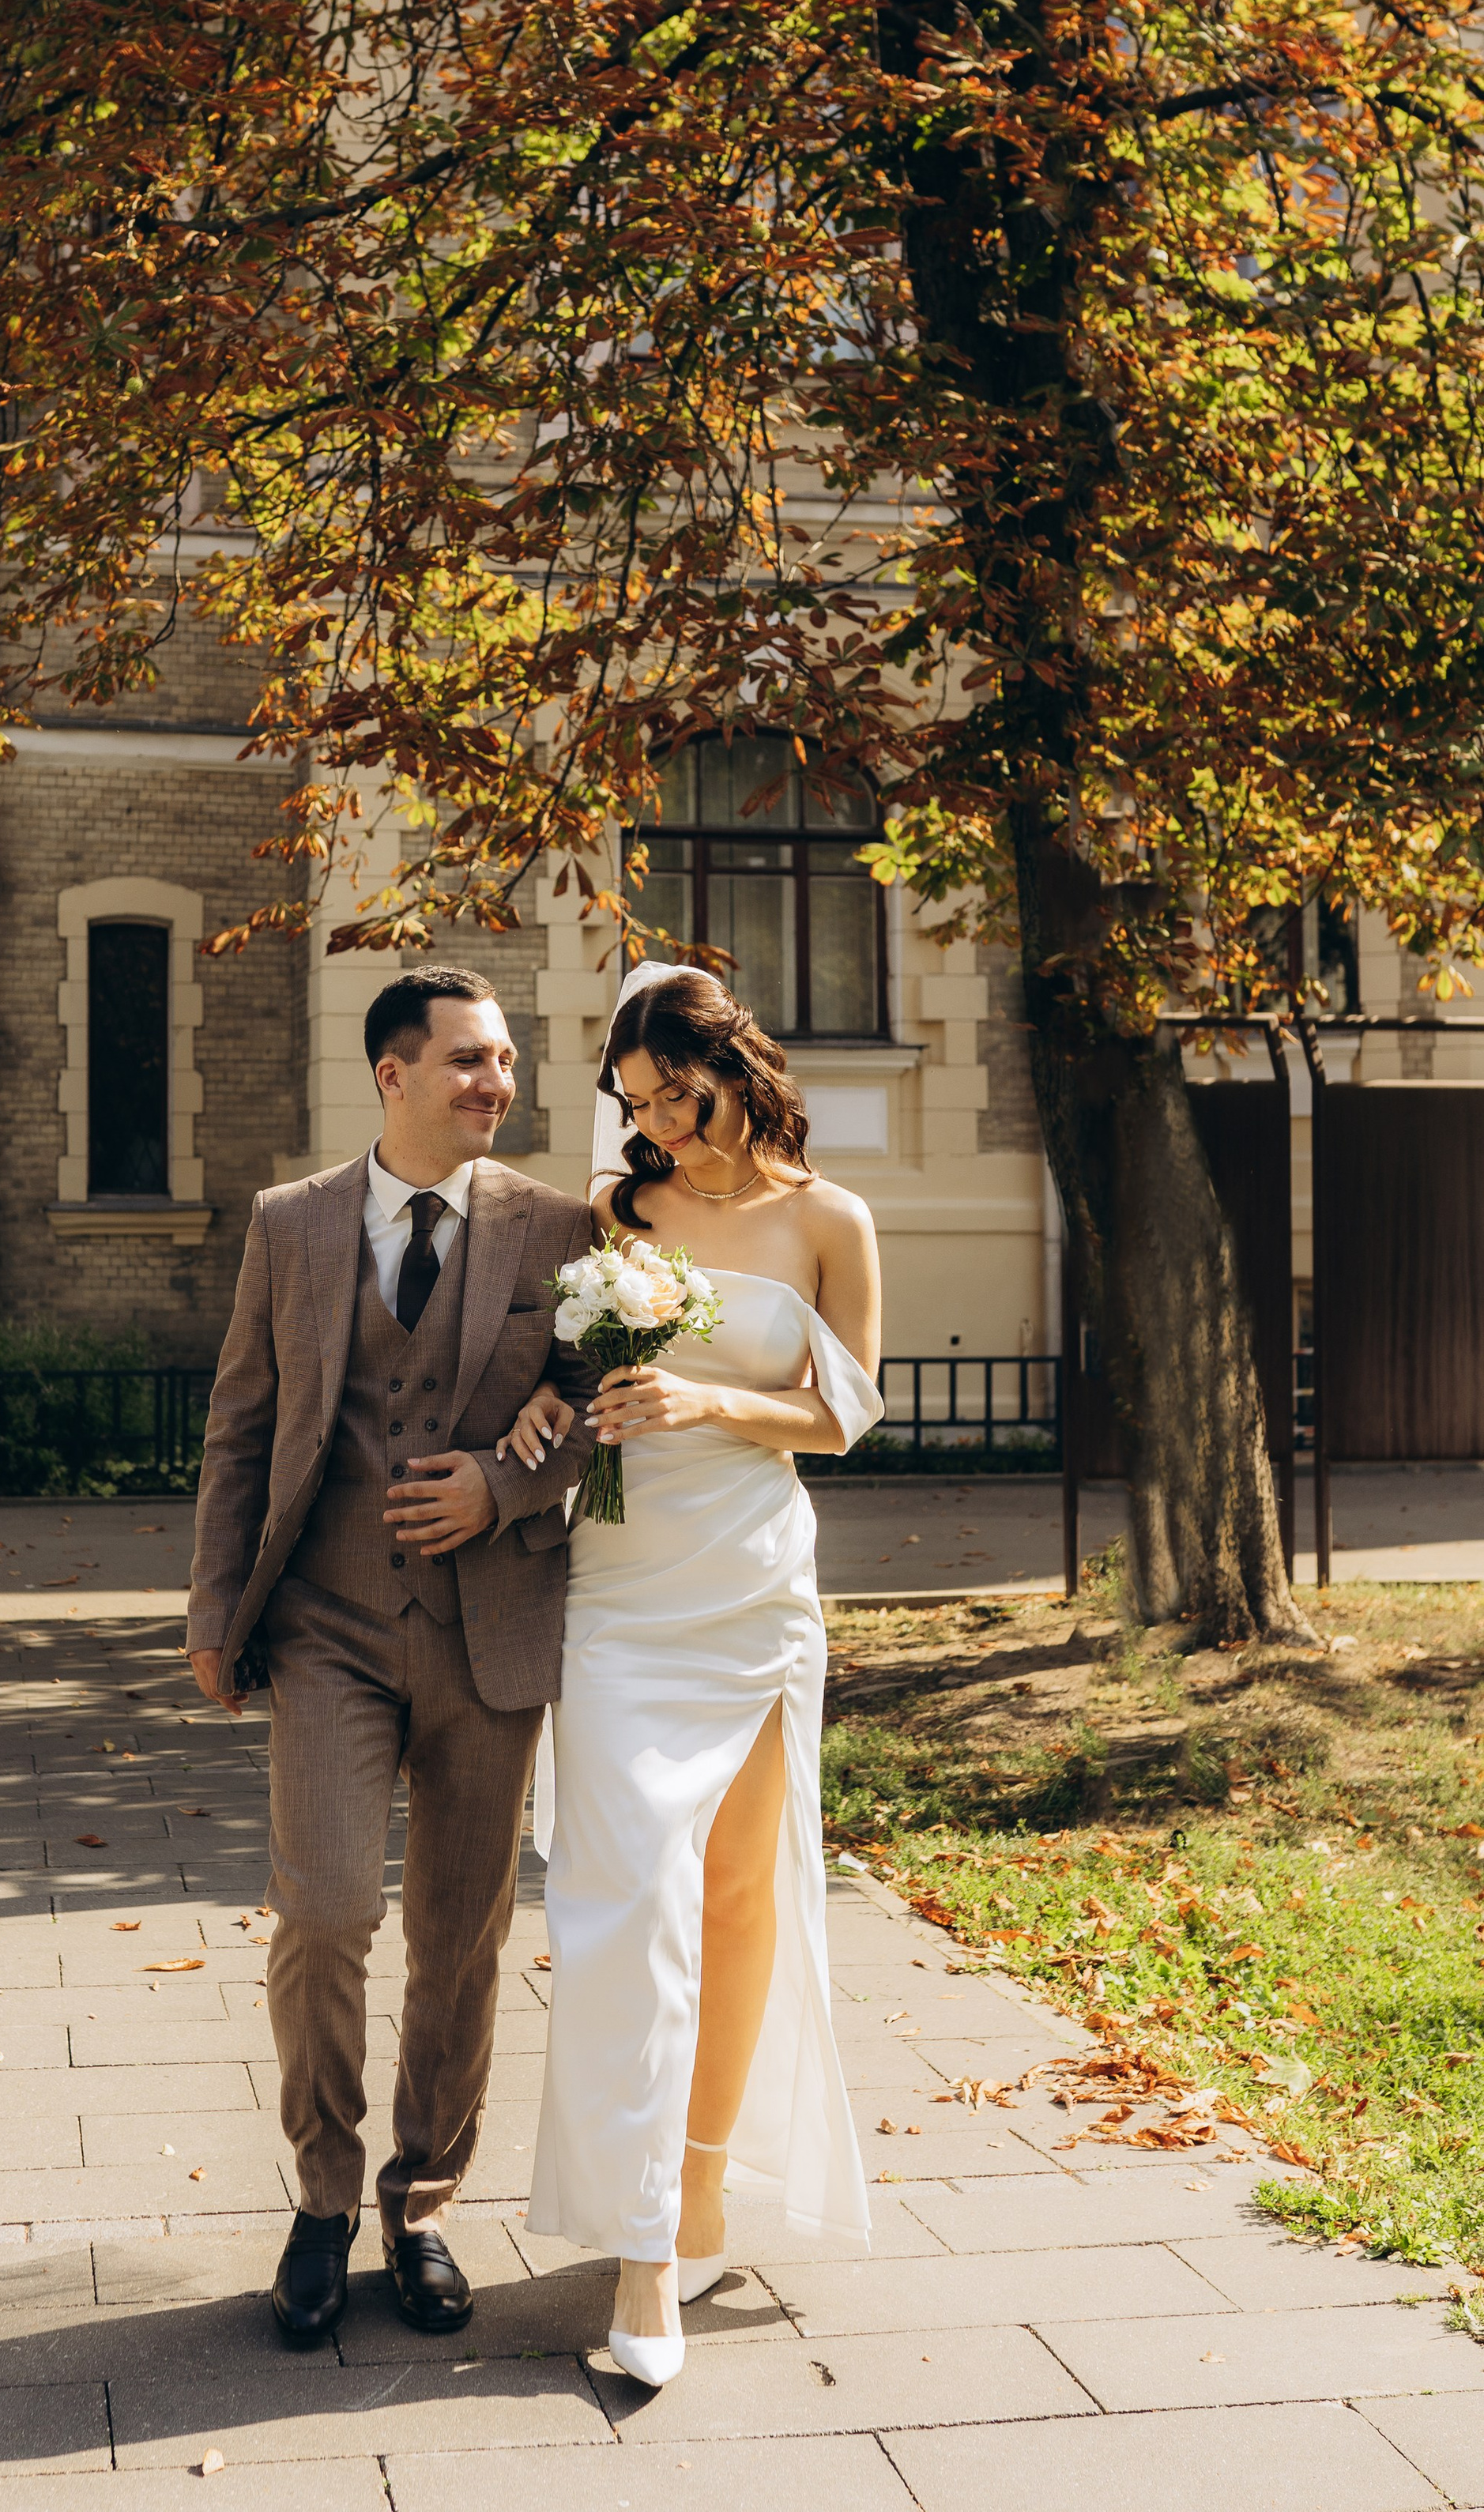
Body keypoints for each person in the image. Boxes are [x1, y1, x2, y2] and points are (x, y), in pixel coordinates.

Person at [186, 965, 595, 2347]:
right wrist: (210, 1607)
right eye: (472, 1061)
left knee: (461, 1937)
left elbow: (597, 1410)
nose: (500, 1083)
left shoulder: (561, 1228)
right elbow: (244, 1421)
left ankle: (419, 2206)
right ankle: (319, 2196)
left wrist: (505, 1485)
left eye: (508, 1063)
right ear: (393, 1075)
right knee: (324, 1912)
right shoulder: (291, 1225)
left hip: (493, 1632)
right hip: (326, 1629)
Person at [507, 961, 883, 2386]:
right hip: (621, 1594)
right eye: (639, 1104)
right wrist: (552, 1411)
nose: (660, 1124)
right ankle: (642, 2247)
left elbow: (846, 1414)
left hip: (755, 1593)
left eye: (680, 1091)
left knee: (738, 1901)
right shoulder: (616, 1216)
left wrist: (711, 1397)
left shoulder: (830, 1220)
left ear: (738, 1064)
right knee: (626, 1907)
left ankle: (707, 2185)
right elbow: (556, 1371)